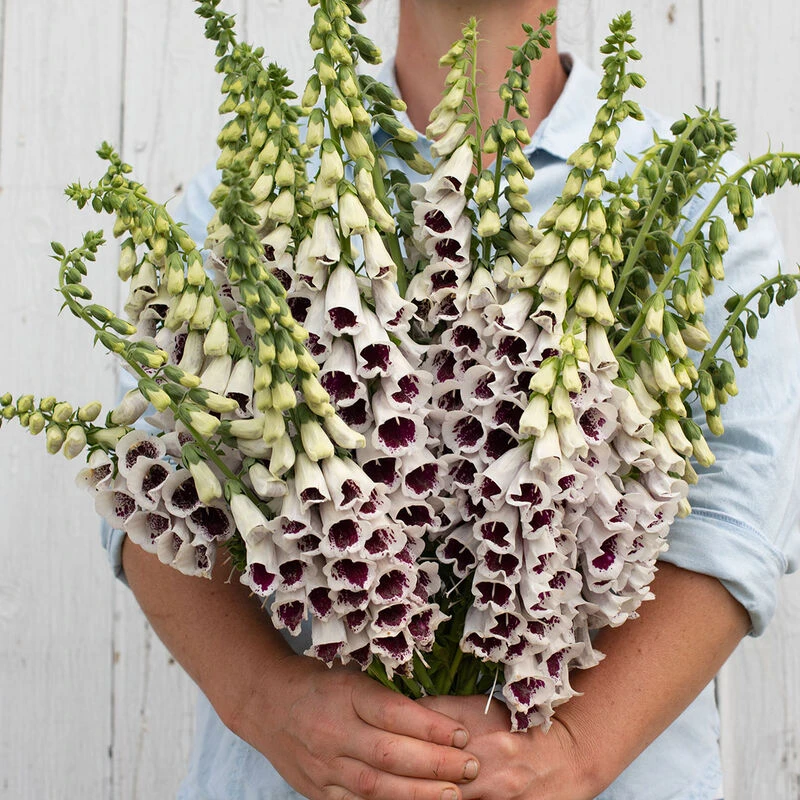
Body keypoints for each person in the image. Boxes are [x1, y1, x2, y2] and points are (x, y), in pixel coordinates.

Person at [105, 1, 800, 798]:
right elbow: (154, 484)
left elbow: (736, 516)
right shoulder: (245, 193)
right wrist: (265, 698)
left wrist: (578, 749)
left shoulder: (688, 201)